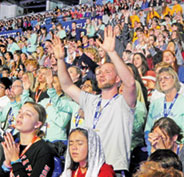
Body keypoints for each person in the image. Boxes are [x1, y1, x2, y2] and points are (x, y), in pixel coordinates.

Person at [53, 26, 136, 176]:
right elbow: (66, 85)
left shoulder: (124, 102)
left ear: (118, 79)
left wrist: (112, 52)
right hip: (89, 169)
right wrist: (60, 60)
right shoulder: (90, 100)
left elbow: (130, 82)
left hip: (114, 168)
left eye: (107, 72)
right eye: (98, 72)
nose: (101, 75)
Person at [0, 101, 55, 177]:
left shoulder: (44, 151)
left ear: (37, 124)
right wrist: (7, 165)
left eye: (27, 114)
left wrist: (15, 161)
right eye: (19, 112)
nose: (20, 116)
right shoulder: (12, 143)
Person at [145, 67, 184, 144]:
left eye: (166, 78)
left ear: (174, 80)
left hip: (178, 148)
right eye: (160, 79)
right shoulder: (155, 104)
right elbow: (148, 130)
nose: (163, 81)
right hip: (157, 148)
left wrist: (172, 145)